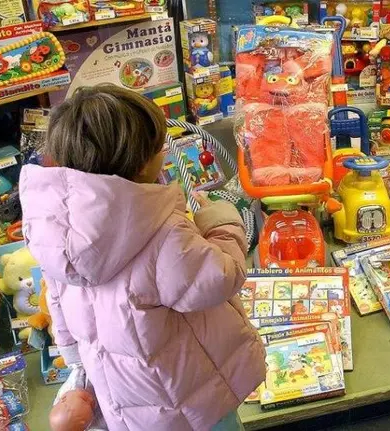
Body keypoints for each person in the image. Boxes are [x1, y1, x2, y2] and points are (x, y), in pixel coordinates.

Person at [19, 84, 266, 431]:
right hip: (191, 402)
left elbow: (57, 306)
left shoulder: (55, 233)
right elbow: (219, 277)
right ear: (142, 162)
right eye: (159, 147)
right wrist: (220, 221)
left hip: (126, 404)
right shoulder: (161, 233)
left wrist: (79, 366)